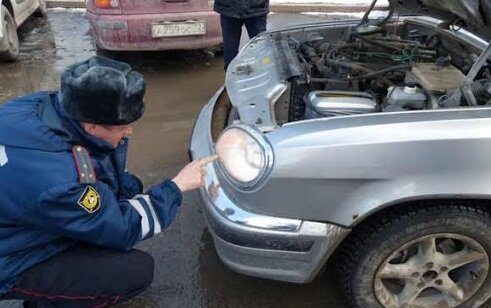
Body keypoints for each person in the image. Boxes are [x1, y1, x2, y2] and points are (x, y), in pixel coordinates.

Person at [0, 56, 216, 307]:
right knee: (134, 270)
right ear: (91, 127)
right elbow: (122, 228)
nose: (130, 131)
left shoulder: (32, 107)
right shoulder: (61, 184)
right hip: (10, 258)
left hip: (15, 217)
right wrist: (177, 186)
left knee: (128, 186)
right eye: (122, 126)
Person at [214, 0, 269, 69]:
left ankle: (262, 73)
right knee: (259, 48)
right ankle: (263, 74)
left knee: (260, 50)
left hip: (233, 8)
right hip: (251, 7)